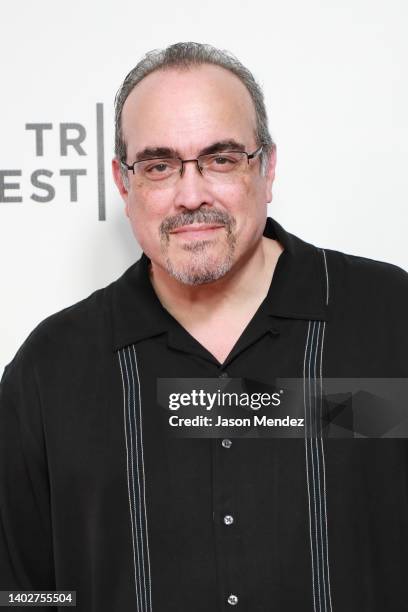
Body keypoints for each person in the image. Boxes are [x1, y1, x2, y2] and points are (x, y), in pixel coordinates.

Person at [1, 42, 407, 612]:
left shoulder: (391, 321)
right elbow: (22, 590)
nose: (191, 196)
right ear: (124, 183)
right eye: (160, 165)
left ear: (266, 168)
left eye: (220, 159)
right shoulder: (50, 369)